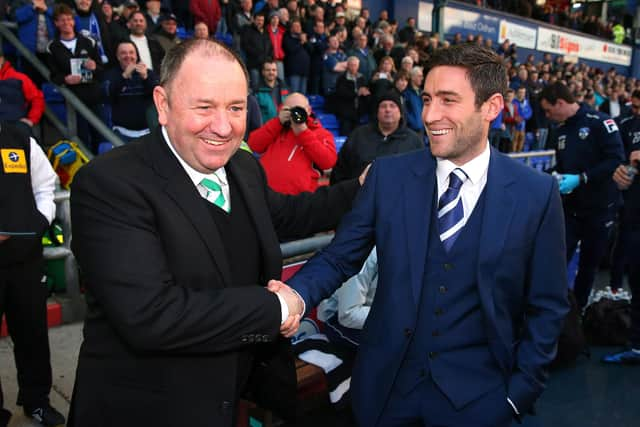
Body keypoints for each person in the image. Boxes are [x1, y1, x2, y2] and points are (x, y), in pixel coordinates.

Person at [67, 38, 362, 427]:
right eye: (204, 107)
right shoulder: (109, 184)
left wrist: (362, 185)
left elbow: (291, 214)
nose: (223, 127)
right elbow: (152, 315)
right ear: (162, 104)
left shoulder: (242, 168)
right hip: (151, 411)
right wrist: (277, 308)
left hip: (239, 398)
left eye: (236, 108)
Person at [275, 44, 569, 427]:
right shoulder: (387, 177)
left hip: (481, 403)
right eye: (427, 99)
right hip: (384, 397)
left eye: (448, 100)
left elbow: (547, 306)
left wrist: (518, 395)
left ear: (493, 107)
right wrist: (295, 296)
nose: (430, 115)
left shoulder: (536, 195)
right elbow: (339, 256)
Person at [0, 123, 65, 427]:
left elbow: (45, 186)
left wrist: (38, 222)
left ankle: (37, 401)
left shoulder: (19, 139)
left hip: (24, 260)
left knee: (32, 334)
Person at [540, 81, 625, 309]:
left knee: (588, 267)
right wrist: (548, 177)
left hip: (600, 209)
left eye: (549, 110)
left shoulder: (600, 122)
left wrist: (583, 178)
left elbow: (615, 159)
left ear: (560, 102)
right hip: (571, 209)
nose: (548, 115)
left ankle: (577, 315)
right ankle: (550, 310)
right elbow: (563, 165)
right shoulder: (561, 131)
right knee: (556, 261)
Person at [248, 92, 336, 194]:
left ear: (308, 111)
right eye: (289, 110)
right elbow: (253, 145)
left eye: (299, 110)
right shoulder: (276, 128)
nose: (294, 114)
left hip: (300, 200)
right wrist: (278, 122)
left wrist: (303, 132)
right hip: (267, 195)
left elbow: (328, 162)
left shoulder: (320, 133)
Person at [330, 90, 422, 184]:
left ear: (401, 113)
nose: (388, 110)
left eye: (392, 106)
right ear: (377, 112)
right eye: (383, 106)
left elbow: (421, 177)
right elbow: (340, 172)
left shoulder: (413, 141)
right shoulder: (358, 136)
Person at [103, 40, 159, 141]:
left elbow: (157, 95)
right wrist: (124, 76)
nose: (128, 56)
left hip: (147, 132)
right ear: (117, 56)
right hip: (121, 133)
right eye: (123, 53)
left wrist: (145, 78)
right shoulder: (111, 74)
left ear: (136, 55)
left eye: (131, 52)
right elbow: (108, 95)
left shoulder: (148, 73)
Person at [0, 47, 45, 138]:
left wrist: (31, 120)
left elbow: (37, 98)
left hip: (15, 130)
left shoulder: (20, 78)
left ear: (1, 59)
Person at [332, 56, 371, 137]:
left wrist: (366, 92)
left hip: (358, 113)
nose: (354, 67)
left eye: (355, 65)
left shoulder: (361, 77)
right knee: (345, 136)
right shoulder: (342, 78)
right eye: (352, 65)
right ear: (348, 65)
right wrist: (357, 93)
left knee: (356, 137)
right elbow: (341, 94)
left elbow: (364, 92)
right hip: (345, 113)